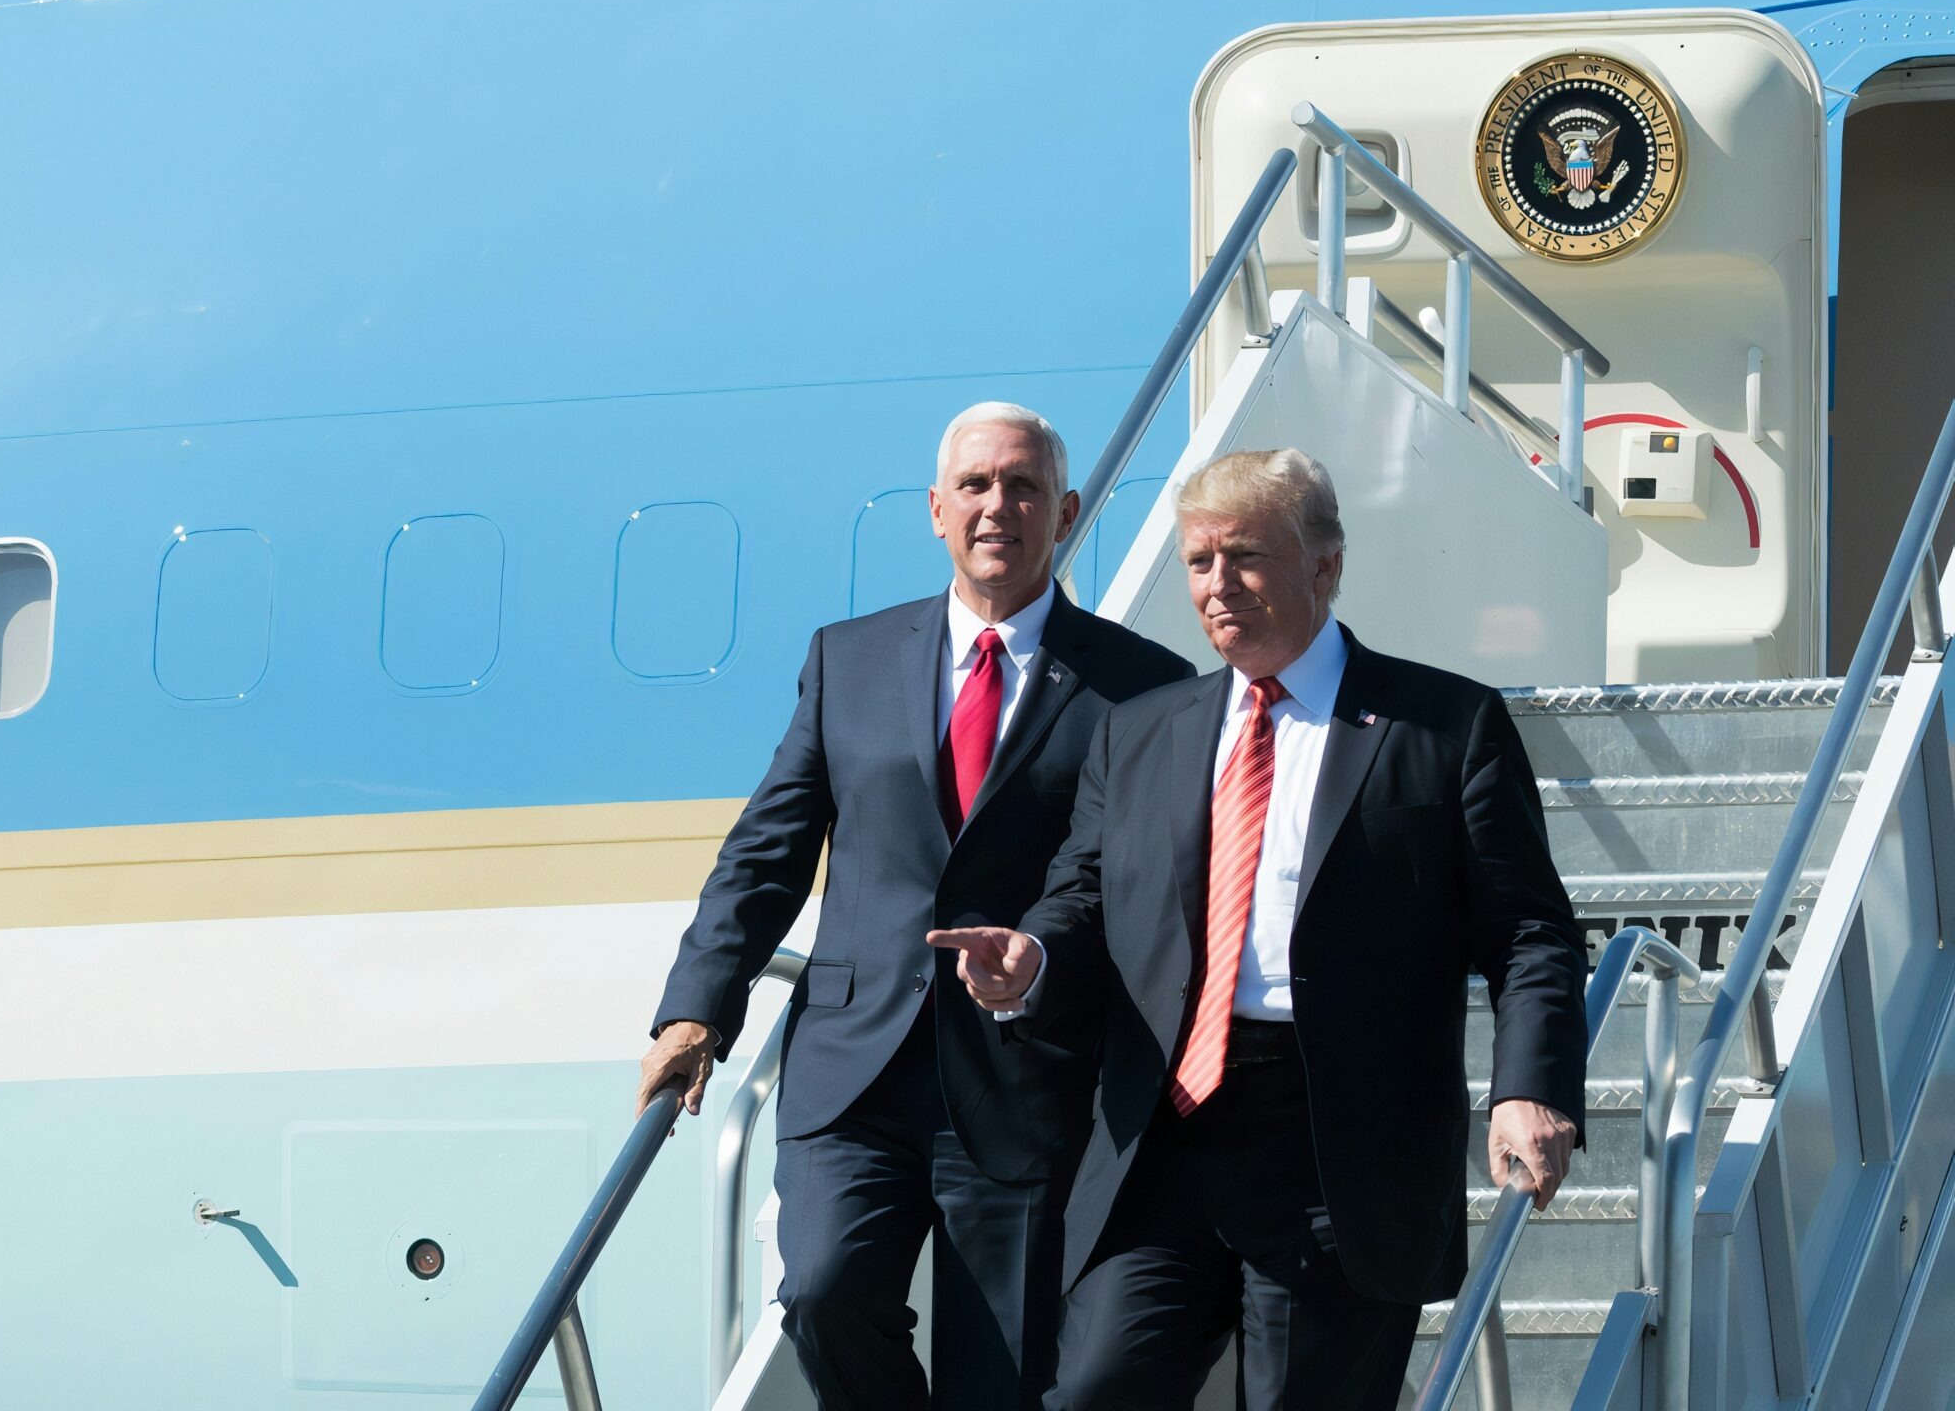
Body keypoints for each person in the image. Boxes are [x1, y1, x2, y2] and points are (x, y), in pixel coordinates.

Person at [930, 448, 1588, 1409]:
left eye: (1245, 556)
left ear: (1325, 566)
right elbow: (1084, 895)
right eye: (1199, 562)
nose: (1217, 585)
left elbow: (1529, 932)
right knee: (1096, 1390)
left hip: (1335, 1151)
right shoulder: (1142, 729)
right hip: (1162, 1135)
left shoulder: (1444, 726)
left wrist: (1528, 1087)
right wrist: (1031, 960)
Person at [640, 403, 1193, 1409]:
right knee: (822, 1292)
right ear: (937, 510)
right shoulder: (845, 660)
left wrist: (1040, 960)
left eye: (1023, 486)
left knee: (1001, 1382)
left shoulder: (1143, 686)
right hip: (854, 1075)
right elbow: (767, 850)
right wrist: (696, 1009)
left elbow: (1133, 883)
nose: (997, 506)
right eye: (975, 486)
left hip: (1027, 1077)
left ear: (1066, 511)